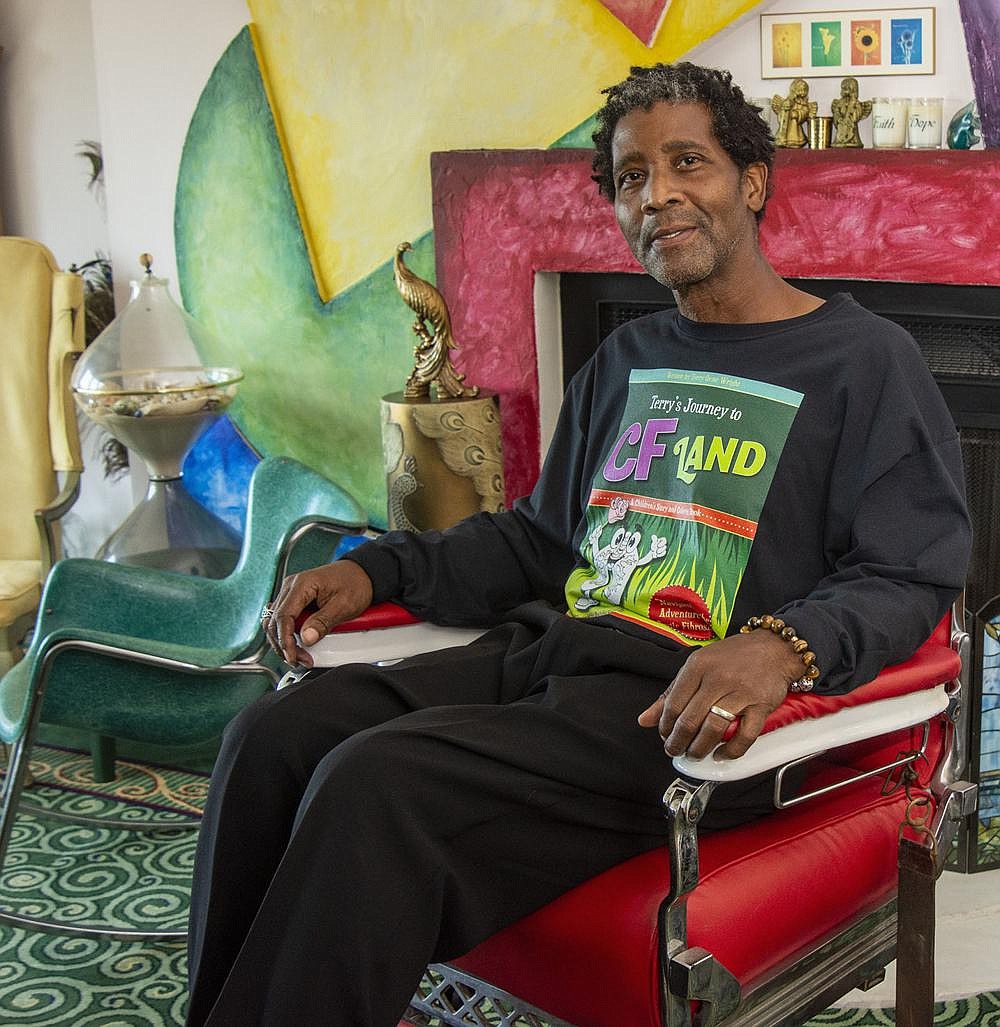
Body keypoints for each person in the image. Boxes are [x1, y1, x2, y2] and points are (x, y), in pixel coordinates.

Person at [185, 61, 970, 1026]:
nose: (659, 194)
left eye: (689, 162)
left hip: (685, 722)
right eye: (632, 177)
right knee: (269, 735)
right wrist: (372, 567)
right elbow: (536, 538)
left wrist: (780, 645)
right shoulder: (626, 359)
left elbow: (911, 570)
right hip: (552, 655)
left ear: (753, 182)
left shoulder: (865, 364)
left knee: (376, 783)